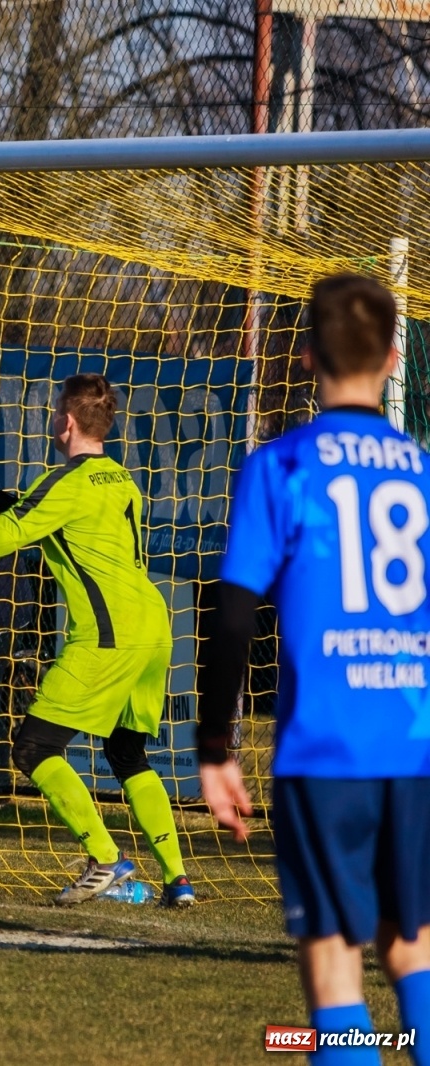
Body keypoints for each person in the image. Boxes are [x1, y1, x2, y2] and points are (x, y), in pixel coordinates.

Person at [198, 273, 430, 1064]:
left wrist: (213, 749)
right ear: (396, 357)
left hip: (325, 750)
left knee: (335, 965)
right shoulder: (423, 475)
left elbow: (233, 618)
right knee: (412, 949)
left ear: (304, 358)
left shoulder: (280, 466)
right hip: (415, 746)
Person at [0, 373, 194, 907]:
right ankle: (178, 882)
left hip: (108, 633)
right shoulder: (119, 479)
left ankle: (103, 858)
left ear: (66, 422)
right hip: (152, 626)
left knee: (34, 747)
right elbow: (44, 518)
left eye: (56, 412)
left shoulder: (67, 480)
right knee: (127, 754)